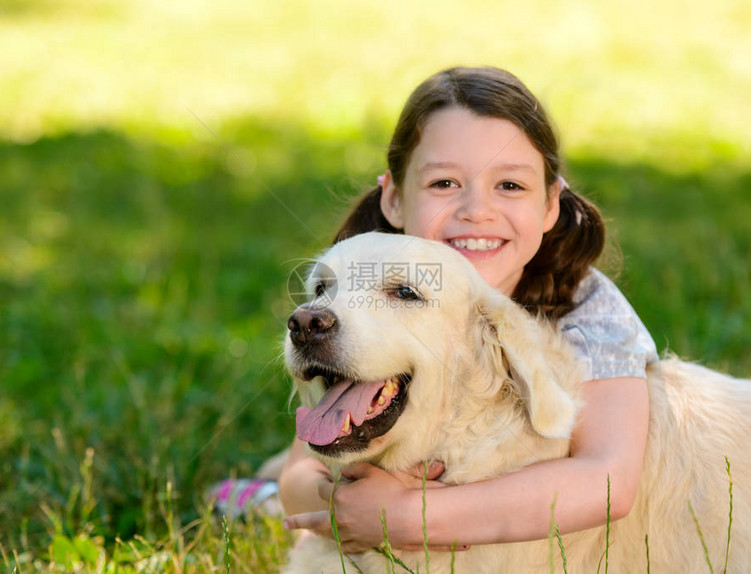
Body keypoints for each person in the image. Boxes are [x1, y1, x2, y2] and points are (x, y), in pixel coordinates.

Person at [219, 66, 658, 552]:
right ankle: (265, 494)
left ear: (551, 203)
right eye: (445, 183)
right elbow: (308, 461)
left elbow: (608, 478)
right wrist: (336, 499)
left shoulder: (588, 307)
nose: (476, 210)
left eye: (509, 186)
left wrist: (411, 517)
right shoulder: (364, 270)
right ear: (394, 199)